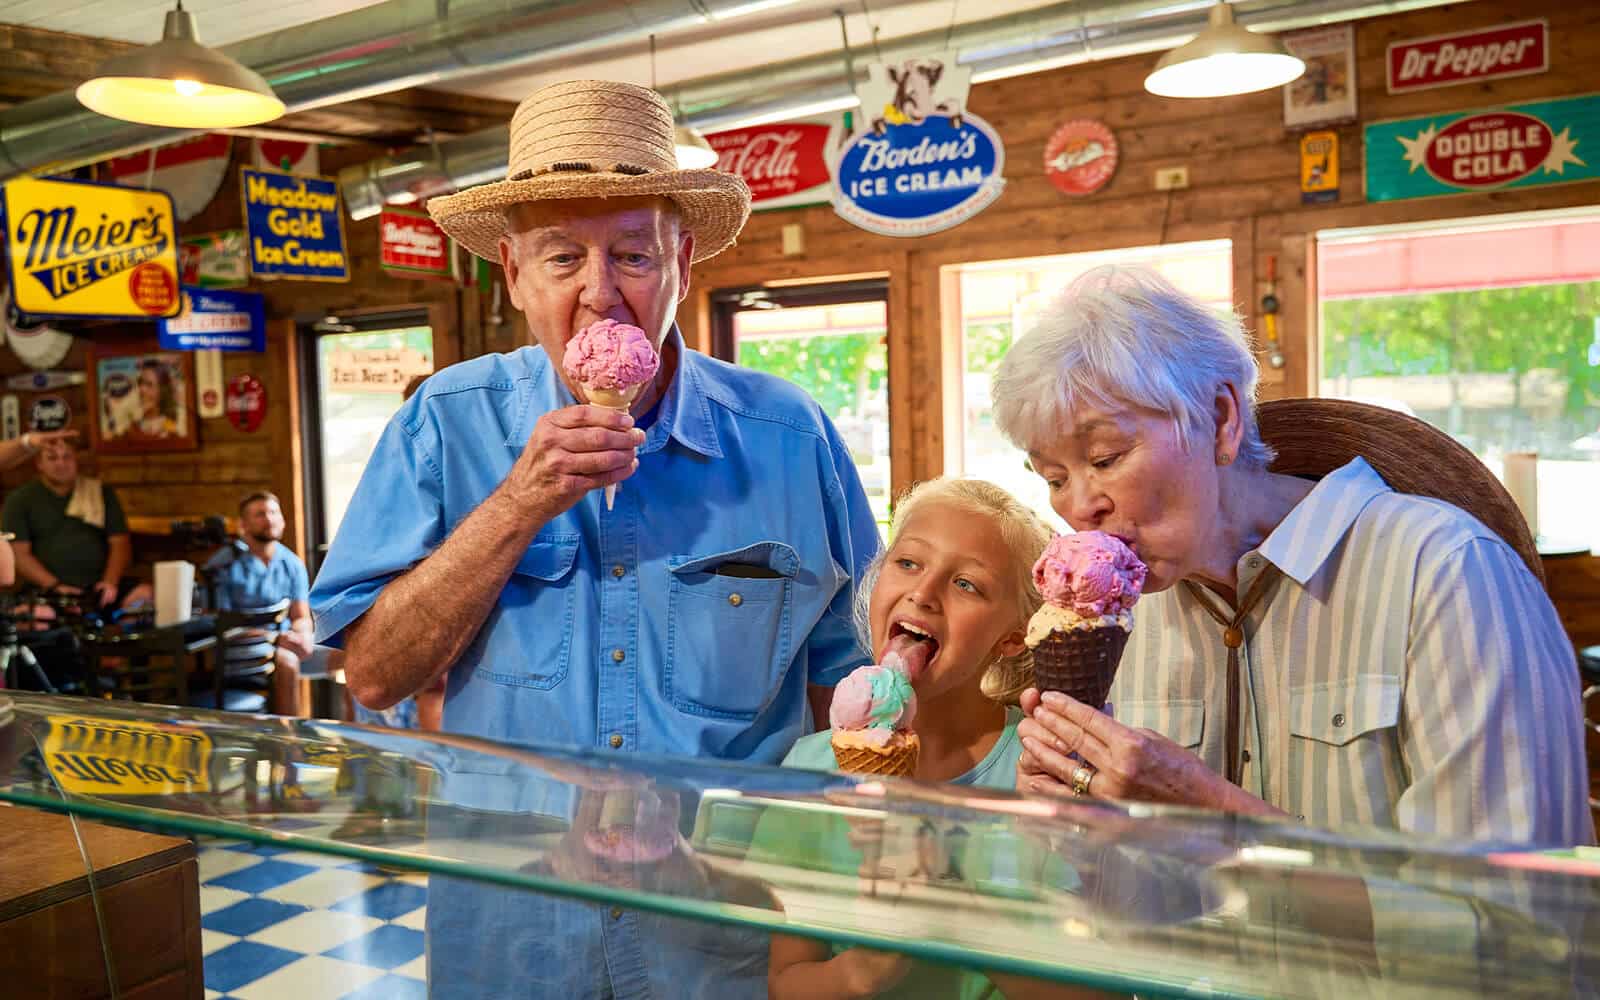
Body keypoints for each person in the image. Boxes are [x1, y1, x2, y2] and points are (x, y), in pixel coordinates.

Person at [310, 80, 880, 997]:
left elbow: (852, 692)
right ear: (514, 273)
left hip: (723, 933)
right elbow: (376, 674)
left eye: (632, 255)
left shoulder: (788, 435)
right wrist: (516, 505)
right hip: (515, 929)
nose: (599, 294)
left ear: (684, 260)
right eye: (561, 257)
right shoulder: (442, 425)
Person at [990, 264, 1591, 848]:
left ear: (1221, 420)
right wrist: (1076, 831)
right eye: (1052, 476)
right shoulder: (1121, 622)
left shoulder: (1446, 572)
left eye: (1104, 457)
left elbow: (1514, 913)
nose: (1078, 506)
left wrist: (1216, 817)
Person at [768, 477, 1054, 1000]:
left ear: (1014, 637)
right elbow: (788, 984)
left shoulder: (1043, 770)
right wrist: (868, 968)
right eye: (908, 563)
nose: (923, 592)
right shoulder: (808, 771)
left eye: (966, 584)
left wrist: (953, 905)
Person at [2, 440, 151, 611]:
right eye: (52, 458)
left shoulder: (100, 492)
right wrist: (56, 587)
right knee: (40, 616)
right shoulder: (19, 500)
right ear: (40, 464)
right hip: (49, 590)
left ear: (75, 460)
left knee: (145, 596)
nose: (61, 463)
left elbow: (120, 544)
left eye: (67, 457)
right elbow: (20, 555)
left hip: (101, 588)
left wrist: (110, 583)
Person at [204, 492, 314, 716]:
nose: (269, 519)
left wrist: (303, 636)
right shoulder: (223, 563)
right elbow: (218, 623)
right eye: (260, 514)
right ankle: (288, 741)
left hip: (286, 642)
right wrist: (274, 638)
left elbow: (300, 615)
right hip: (239, 648)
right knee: (287, 662)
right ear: (243, 525)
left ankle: (360, 735)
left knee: (348, 654)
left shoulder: (292, 563)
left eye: (274, 513)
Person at [135, 359, 180, 439]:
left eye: (149, 384)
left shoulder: (170, 429)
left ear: (163, 391)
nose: (142, 389)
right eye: (140, 382)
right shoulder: (133, 424)